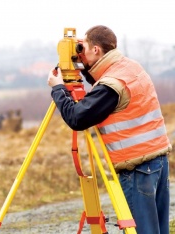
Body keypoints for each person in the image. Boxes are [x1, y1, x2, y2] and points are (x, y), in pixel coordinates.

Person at [47, 25, 172, 234]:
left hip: (137, 169)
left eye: (82, 46)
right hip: (157, 162)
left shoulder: (112, 85)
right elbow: (102, 86)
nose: (79, 51)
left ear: (96, 49)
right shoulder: (129, 67)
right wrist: (83, 65)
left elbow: (77, 118)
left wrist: (58, 88)